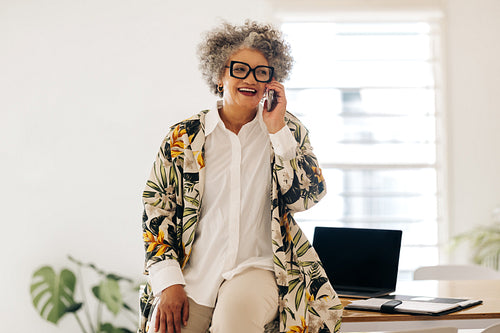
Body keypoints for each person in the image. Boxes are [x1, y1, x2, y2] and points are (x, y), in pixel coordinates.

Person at [139, 20, 342, 333]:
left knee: (233, 323)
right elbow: (157, 212)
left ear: (271, 80)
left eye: (261, 72)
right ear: (220, 75)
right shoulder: (183, 136)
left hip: (258, 267)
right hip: (194, 273)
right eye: (240, 69)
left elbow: (307, 197)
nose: (250, 79)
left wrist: (277, 129)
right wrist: (168, 284)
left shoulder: (287, 130)